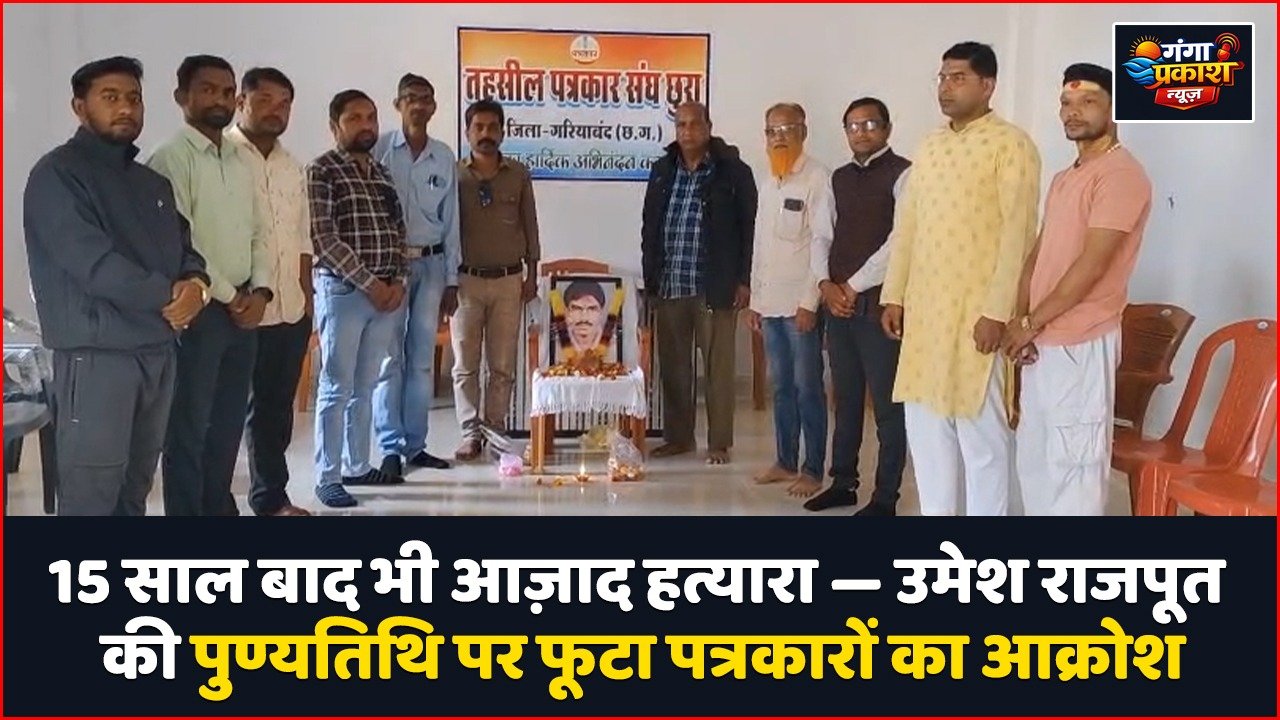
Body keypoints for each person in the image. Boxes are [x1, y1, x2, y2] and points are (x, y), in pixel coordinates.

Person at [22, 56, 209, 516]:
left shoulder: (152, 183)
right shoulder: (57, 175)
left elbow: (186, 248)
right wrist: (170, 295)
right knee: (92, 493)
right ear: (79, 107)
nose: (125, 107)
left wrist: (197, 284)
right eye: (110, 97)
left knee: (134, 488)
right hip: (97, 357)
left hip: (157, 353)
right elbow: (93, 264)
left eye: (133, 98)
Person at [879, 42, 1041, 516]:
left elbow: (1019, 235)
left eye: (958, 78)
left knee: (982, 440)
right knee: (927, 434)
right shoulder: (929, 145)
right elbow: (907, 225)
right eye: (943, 77)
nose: (946, 87)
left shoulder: (1011, 145)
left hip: (977, 317)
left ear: (987, 85)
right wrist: (894, 295)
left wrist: (997, 312)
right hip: (926, 315)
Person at [1003, 63, 1151, 516]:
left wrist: (1030, 322)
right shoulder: (1065, 177)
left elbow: (1091, 267)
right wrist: (1021, 321)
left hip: (1083, 340)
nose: (1073, 112)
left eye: (1088, 102)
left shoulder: (1121, 174)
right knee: (1035, 461)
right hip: (1043, 338)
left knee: (1075, 467)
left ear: (1114, 109)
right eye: (1066, 103)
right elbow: (1038, 255)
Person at [148, 55, 271, 516]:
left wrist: (260, 292)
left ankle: (218, 509)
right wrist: (232, 295)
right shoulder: (169, 159)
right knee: (188, 426)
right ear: (182, 97)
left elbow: (258, 230)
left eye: (226, 91)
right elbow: (182, 242)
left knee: (226, 425)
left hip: (243, 311)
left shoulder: (240, 159)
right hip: (198, 310)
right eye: (207, 90)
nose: (219, 99)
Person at [806, 97, 911, 516]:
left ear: (887, 128)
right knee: (845, 399)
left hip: (881, 307)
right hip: (839, 307)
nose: (861, 132)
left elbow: (901, 241)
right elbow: (821, 236)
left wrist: (851, 285)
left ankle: (885, 498)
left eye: (870, 124)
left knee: (887, 406)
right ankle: (843, 483)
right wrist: (825, 285)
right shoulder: (838, 179)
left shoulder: (904, 174)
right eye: (853, 126)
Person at [641, 101, 757, 465]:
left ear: (708, 126)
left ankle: (719, 442)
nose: (687, 131)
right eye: (681, 124)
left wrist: (744, 279)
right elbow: (649, 226)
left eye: (694, 124)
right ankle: (679, 438)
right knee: (674, 369)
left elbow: (750, 228)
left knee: (718, 371)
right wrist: (651, 277)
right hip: (670, 284)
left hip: (714, 286)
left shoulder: (733, 171)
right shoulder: (662, 170)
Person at [308, 89, 408, 507]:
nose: (366, 126)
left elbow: (398, 231)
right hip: (345, 293)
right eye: (354, 118)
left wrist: (398, 280)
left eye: (370, 117)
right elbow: (324, 238)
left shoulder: (381, 174)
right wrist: (371, 283)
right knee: (336, 387)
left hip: (386, 296)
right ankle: (328, 476)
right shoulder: (322, 170)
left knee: (365, 386)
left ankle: (357, 464)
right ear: (335, 126)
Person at [226, 67, 312, 517]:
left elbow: (302, 240)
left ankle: (271, 499)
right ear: (241, 102)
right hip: (237, 309)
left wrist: (306, 302)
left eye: (285, 104)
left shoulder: (291, 166)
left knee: (276, 412)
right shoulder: (222, 157)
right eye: (265, 100)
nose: (276, 111)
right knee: (225, 413)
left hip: (288, 309)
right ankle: (215, 503)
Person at [372, 73, 459, 478]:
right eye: (411, 98)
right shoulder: (379, 150)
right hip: (389, 267)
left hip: (431, 266)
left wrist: (452, 280)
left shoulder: (443, 156)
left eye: (426, 99)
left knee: (422, 361)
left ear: (434, 106)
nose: (419, 106)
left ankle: (416, 446)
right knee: (390, 360)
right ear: (398, 104)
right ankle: (390, 448)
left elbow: (452, 222)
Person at [742, 102, 831, 497]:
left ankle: (813, 470)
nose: (778, 137)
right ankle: (785, 461)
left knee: (807, 387)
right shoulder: (768, 183)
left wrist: (810, 302)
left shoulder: (817, 178)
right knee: (781, 388)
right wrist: (756, 301)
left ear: (803, 132)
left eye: (787, 129)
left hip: (800, 306)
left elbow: (822, 243)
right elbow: (759, 247)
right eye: (772, 131)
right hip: (770, 304)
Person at [452, 99, 540, 461]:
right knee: (465, 364)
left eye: (492, 127)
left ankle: (495, 430)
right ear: (468, 131)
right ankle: (469, 433)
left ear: (503, 131)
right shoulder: (454, 175)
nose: (486, 133)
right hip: (465, 282)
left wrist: (532, 273)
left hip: (508, 281)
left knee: (502, 365)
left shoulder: (518, 174)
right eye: (479, 127)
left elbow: (530, 225)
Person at [563, 280, 608, 357]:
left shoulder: (614, 347)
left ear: (601, 313)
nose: (584, 318)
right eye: (577, 308)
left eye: (592, 309)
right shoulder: (553, 345)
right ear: (567, 313)